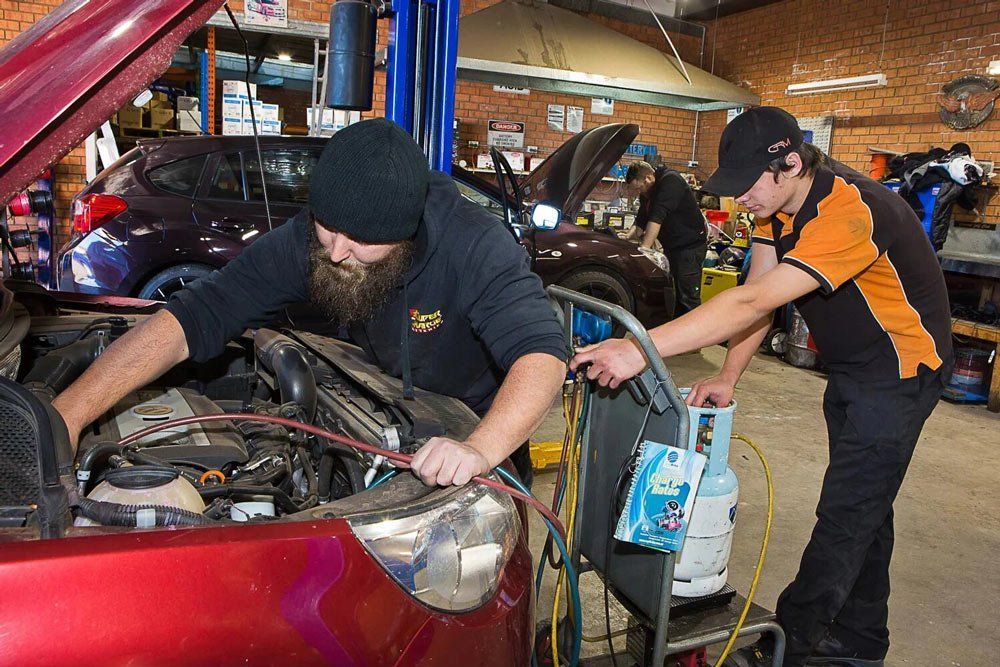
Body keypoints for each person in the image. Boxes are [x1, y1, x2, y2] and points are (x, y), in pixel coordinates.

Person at [572, 107, 953, 667]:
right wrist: (728, 375)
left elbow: (748, 304)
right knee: (867, 505)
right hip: (853, 369)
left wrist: (637, 348)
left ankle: (791, 645)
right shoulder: (779, 209)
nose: (739, 201)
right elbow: (758, 294)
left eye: (746, 185)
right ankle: (863, 638)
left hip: (900, 372)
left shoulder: (851, 210)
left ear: (790, 163)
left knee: (846, 512)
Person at [52, 118, 567, 488]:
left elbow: (542, 354)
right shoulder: (309, 241)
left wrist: (480, 448)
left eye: (362, 241)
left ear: (405, 234)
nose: (337, 252)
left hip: (476, 430)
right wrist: (70, 413)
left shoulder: (474, 243)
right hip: (386, 414)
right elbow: (196, 315)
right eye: (329, 229)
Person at [624, 161, 708, 316]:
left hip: (689, 248)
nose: (638, 192)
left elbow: (657, 217)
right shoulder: (647, 192)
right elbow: (642, 218)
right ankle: (679, 333)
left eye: (638, 188)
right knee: (675, 296)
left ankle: (695, 337)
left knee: (687, 298)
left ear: (648, 178)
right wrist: (627, 237)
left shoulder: (671, 181)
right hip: (673, 247)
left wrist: (645, 249)